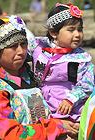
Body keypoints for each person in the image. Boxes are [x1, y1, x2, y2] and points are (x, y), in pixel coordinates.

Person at [0, 15, 80, 140]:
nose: (21, 51)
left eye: (23, 44)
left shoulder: (29, 78)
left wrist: (67, 126)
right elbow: (13, 135)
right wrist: (57, 127)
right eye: (13, 46)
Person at [33, 3, 94, 138]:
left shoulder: (80, 59)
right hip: (41, 104)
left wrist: (70, 99)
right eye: (71, 30)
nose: (77, 34)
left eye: (80, 29)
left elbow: (87, 84)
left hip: (68, 108)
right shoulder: (39, 47)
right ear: (53, 32)